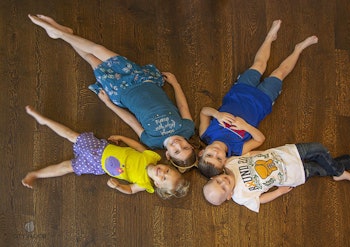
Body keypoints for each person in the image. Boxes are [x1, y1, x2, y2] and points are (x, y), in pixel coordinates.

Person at [28, 14, 197, 171]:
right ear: (190, 144)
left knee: (92, 59)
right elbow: (182, 105)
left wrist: (108, 103)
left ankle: (64, 33)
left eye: (176, 151)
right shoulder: (187, 129)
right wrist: (175, 84)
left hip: (120, 92)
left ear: (168, 155)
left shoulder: (151, 141)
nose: (178, 145)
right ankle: (59, 32)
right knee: (98, 49)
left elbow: (130, 120)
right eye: (185, 147)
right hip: (142, 79)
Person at [198, 20, 318, 178]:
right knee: (280, 73)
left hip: (240, 91)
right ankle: (298, 49)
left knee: (259, 64)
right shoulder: (237, 149)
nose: (215, 153)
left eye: (209, 155)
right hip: (262, 101)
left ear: (201, 152)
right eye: (219, 158)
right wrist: (245, 126)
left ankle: (270, 37)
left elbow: (203, 112)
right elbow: (260, 139)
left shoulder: (206, 134)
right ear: (225, 160)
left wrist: (217, 115)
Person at [21, 105, 190, 199]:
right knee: (72, 135)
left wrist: (119, 186)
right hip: (100, 148)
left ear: (158, 185)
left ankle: (36, 174)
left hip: (96, 165)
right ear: (167, 165)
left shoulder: (145, 184)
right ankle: (44, 121)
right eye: (168, 171)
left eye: (163, 178)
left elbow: (130, 190)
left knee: (66, 167)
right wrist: (122, 138)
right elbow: (137, 146)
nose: (162, 173)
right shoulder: (152, 157)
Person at [203, 142, 350, 212]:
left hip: (285, 153)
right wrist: (279, 192)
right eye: (224, 188)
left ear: (214, 177)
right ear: (229, 196)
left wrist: (262, 153)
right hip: (293, 174)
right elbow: (260, 200)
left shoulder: (229, 164)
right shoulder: (241, 197)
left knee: (319, 148)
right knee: (322, 168)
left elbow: (248, 155)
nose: (224, 182)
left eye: (218, 181)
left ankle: (339, 172)